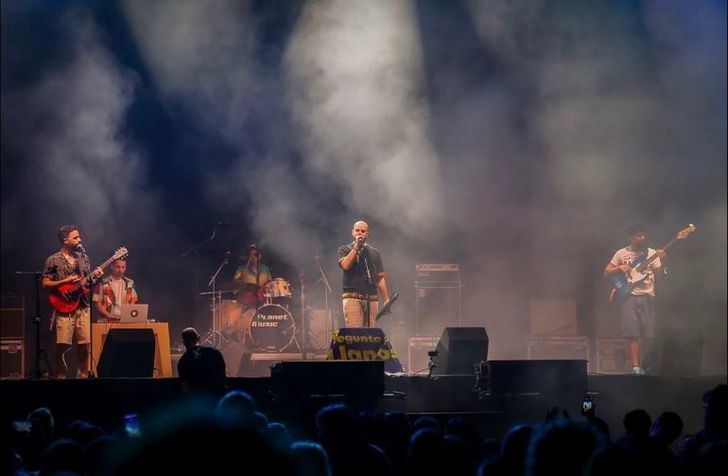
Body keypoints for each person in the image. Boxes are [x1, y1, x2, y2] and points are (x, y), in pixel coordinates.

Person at [603, 223, 666, 375]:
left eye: (643, 235)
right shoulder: (621, 253)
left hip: (648, 295)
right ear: (630, 237)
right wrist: (619, 268)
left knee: (649, 335)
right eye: (638, 235)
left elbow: (660, 277)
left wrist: (663, 262)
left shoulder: (652, 253)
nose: (642, 238)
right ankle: (636, 367)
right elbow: (606, 273)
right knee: (633, 334)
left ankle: (644, 362)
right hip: (628, 297)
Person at [42, 225, 103, 379]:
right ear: (65, 240)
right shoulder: (53, 259)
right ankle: (61, 376)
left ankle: (82, 375)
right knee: (62, 344)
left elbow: (89, 283)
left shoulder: (83, 258)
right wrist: (66, 280)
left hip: (83, 305)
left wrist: (97, 276)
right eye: (75, 237)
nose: (80, 239)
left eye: (79, 236)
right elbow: (45, 283)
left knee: (84, 344)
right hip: (63, 307)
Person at [337, 220, 390, 328]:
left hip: (371, 298)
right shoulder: (344, 249)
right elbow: (346, 265)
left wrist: (386, 299)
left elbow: (380, 278)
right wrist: (356, 246)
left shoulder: (375, 253)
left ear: (367, 234)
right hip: (352, 298)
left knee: (370, 336)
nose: (359, 233)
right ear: (352, 232)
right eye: (357, 230)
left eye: (363, 231)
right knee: (355, 335)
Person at [177, 327, 227, 394]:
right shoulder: (214, 353)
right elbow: (222, 379)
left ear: (184, 342)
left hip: (197, 401)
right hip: (215, 399)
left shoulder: (182, 361)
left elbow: (184, 389)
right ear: (198, 338)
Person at [92, 258, 138, 322]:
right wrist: (109, 316)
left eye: (123, 267)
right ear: (111, 267)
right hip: (106, 320)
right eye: (118, 267)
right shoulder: (102, 282)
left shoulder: (130, 283)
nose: (120, 270)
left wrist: (130, 316)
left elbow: (132, 302)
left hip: (125, 320)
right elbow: (97, 304)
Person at [233, 244, 272, 312]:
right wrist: (245, 285)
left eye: (256, 254)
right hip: (246, 301)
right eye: (251, 254)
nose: (254, 256)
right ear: (249, 256)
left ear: (260, 256)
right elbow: (235, 282)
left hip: (263, 300)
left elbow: (270, 284)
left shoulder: (265, 269)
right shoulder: (241, 269)